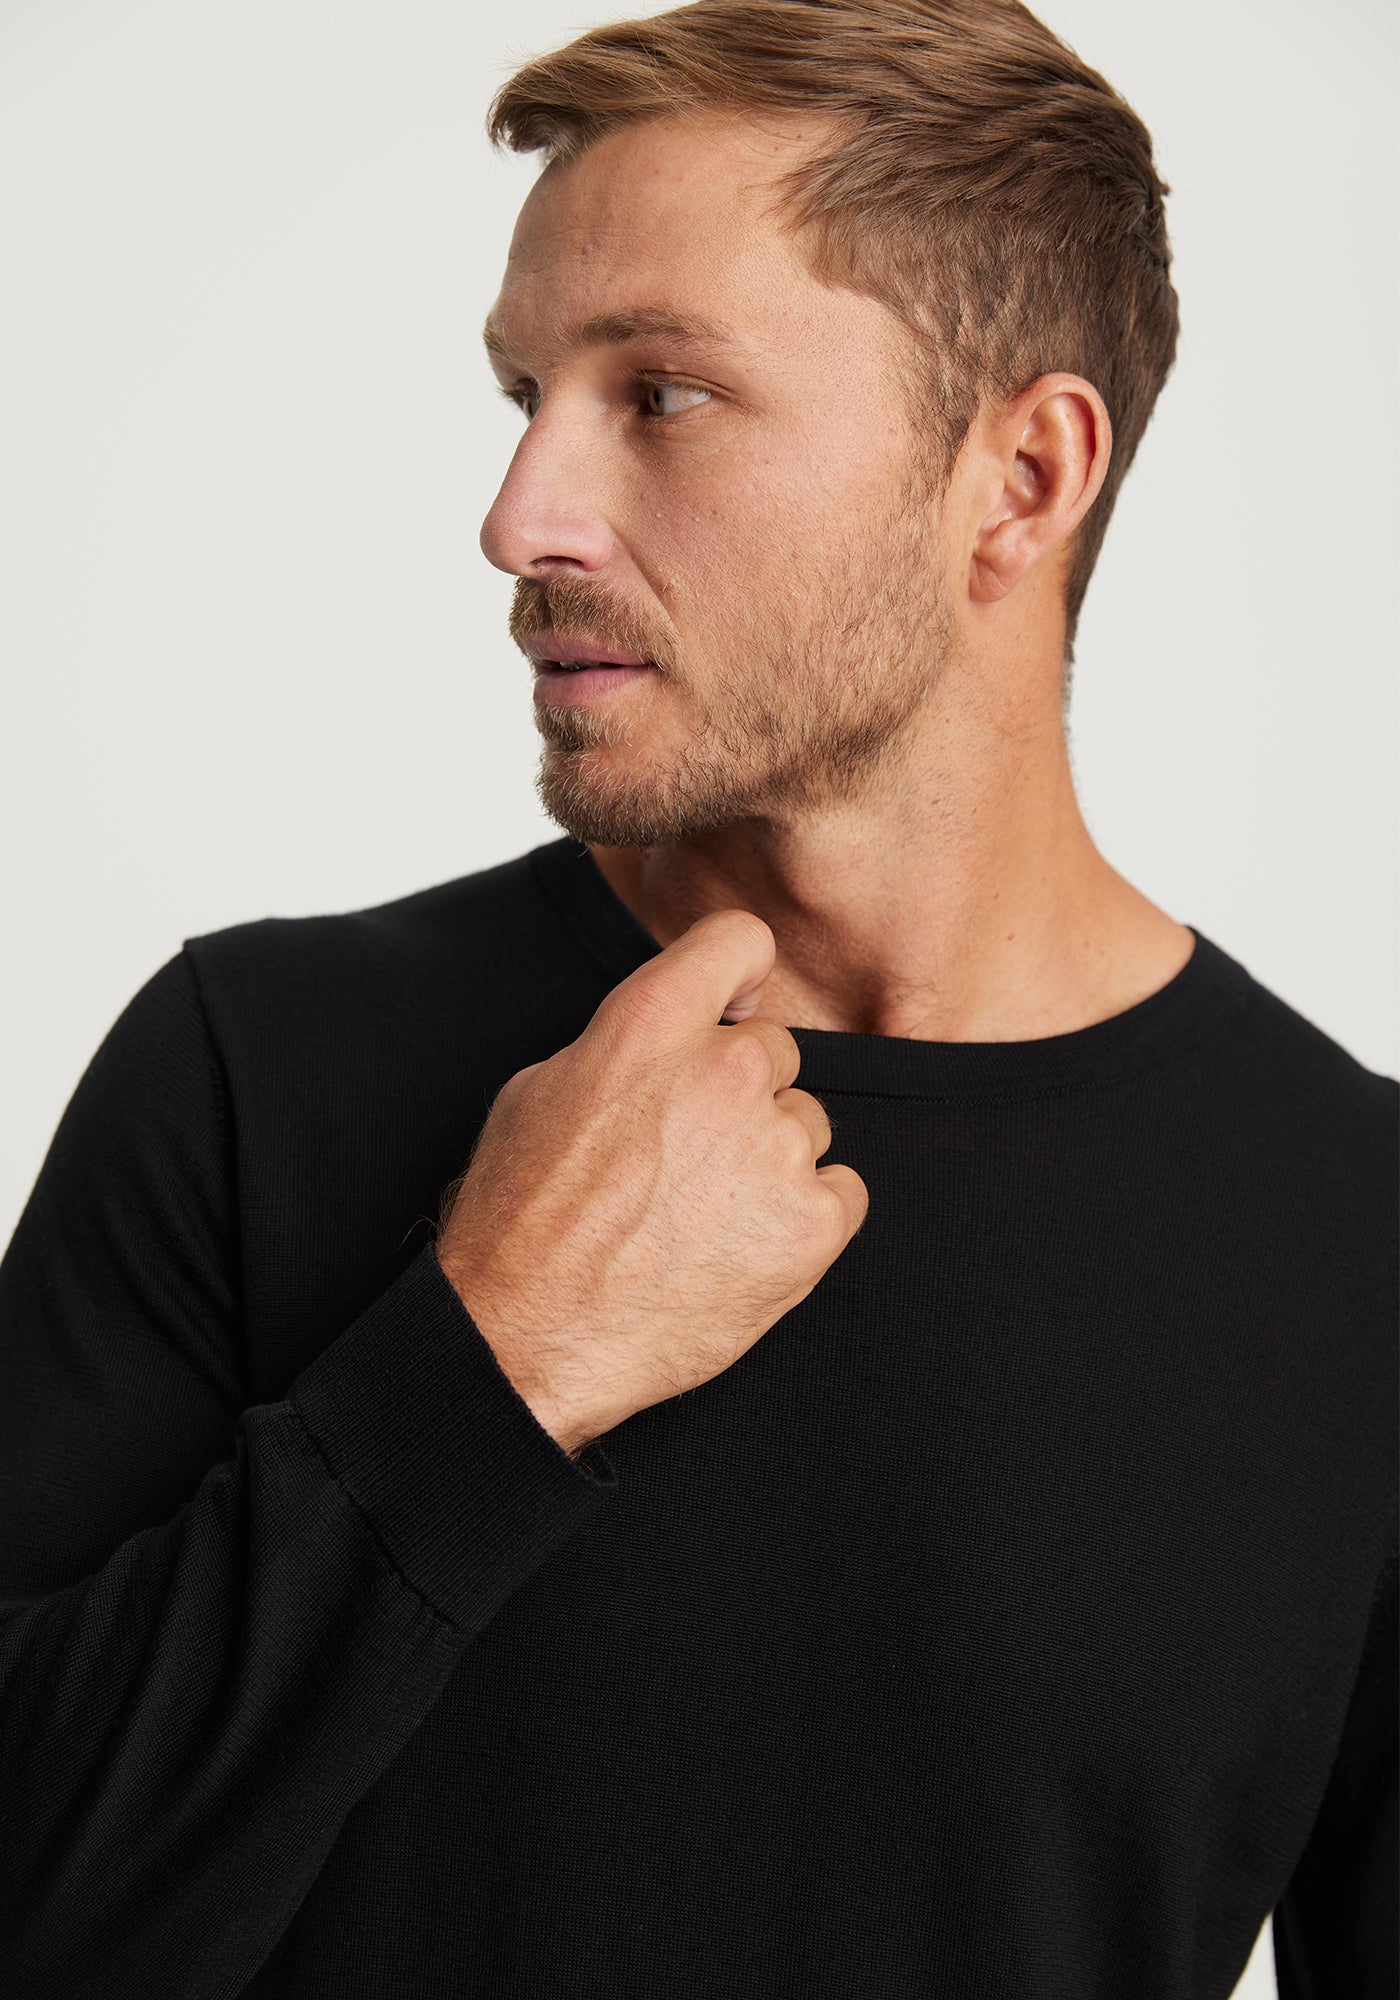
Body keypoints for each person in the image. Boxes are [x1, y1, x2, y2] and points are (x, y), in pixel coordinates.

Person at [0, 0, 1393, 1993]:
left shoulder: (1357, 1241)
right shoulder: (252, 1071)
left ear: (1020, 475)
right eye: (524, 391)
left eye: (659, 393)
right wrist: (487, 1366)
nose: (519, 518)